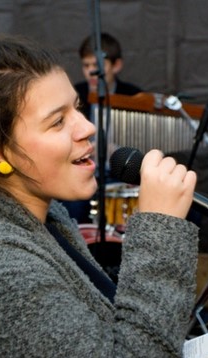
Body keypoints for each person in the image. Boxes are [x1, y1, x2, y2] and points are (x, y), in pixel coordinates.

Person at [0, 33, 200, 358]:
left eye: (77, 109)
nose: (87, 128)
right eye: (57, 122)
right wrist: (159, 231)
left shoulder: (44, 219)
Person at [63, 32, 143, 223]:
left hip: (121, 177)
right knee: (71, 209)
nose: (91, 71)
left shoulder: (134, 97)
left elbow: (143, 146)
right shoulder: (74, 94)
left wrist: (115, 150)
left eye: (97, 65)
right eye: (86, 65)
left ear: (116, 65)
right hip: (83, 173)